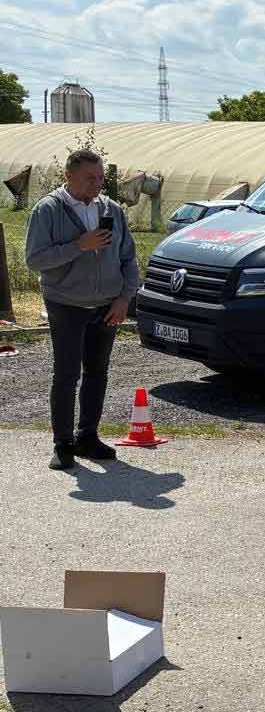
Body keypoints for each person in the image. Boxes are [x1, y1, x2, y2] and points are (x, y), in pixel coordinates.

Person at [24, 149, 140, 471]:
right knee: (66, 374)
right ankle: (63, 445)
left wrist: (123, 298)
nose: (97, 184)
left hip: (107, 305)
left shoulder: (112, 210)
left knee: (97, 372)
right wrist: (80, 245)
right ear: (68, 176)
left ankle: (88, 436)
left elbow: (128, 258)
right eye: (90, 178)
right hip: (66, 305)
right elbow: (35, 260)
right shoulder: (48, 209)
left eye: (101, 177)